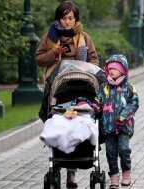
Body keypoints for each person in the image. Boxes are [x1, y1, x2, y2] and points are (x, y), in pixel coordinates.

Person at [35, 1, 99, 188]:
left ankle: (72, 173)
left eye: (70, 18)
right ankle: (57, 166)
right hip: (57, 88)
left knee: (77, 125)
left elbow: (94, 59)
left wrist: (88, 69)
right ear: (58, 19)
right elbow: (39, 59)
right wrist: (54, 53)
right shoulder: (50, 37)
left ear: (76, 19)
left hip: (80, 88)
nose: (67, 22)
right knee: (57, 122)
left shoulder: (84, 38)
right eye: (63, 18)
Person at [97, 54, 139, 189]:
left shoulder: (129, 88)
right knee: (111, 153)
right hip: (108, 127)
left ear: (123, 70)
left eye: (115, 68)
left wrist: (124, 115)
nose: (111, 71)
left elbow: (134, 103)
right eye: (109, 69)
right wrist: (93, 108)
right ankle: (114, 176)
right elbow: (98, 102)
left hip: (124, 127)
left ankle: (126, 171)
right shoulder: (104, 88)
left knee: (124, 149)